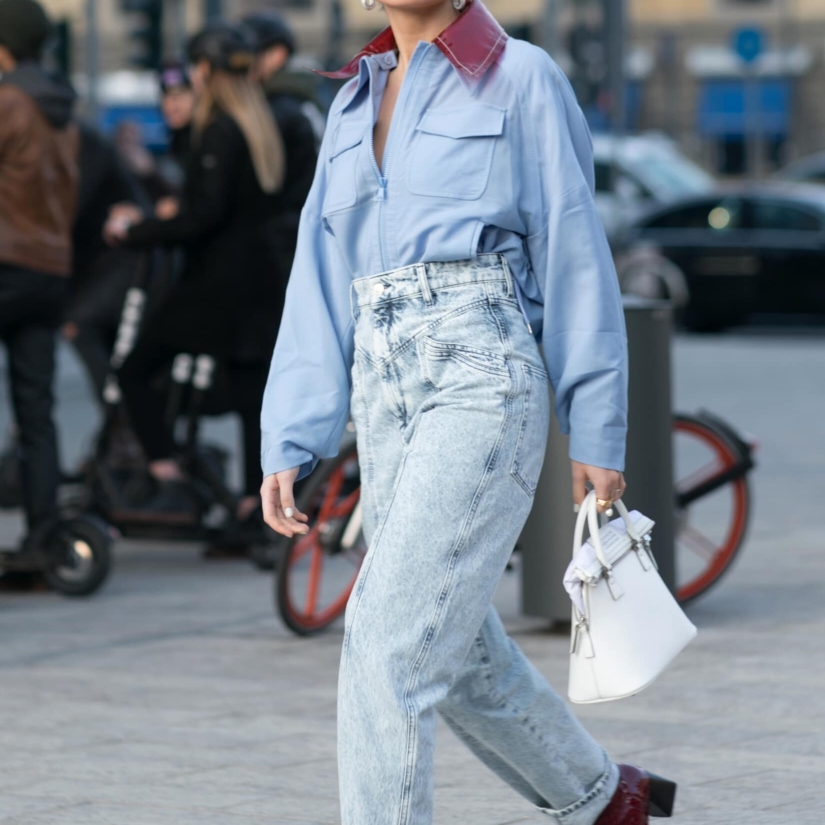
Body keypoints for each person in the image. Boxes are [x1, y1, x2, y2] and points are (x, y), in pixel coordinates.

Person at [259, 1, 675, 824]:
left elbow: (572, 246)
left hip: (481, 370)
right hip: (383, 389)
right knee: (455, 642)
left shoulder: (519, 76)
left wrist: (594, 421)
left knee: (387, 647)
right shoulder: (349, 99)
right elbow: (316, 274)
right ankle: (600, 798)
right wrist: (291, 431)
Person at [104, 22, 291, 522]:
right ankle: (258, 505)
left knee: (135, 368)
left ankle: (167, 472)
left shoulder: (220, 130)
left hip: (219, 286)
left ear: (204, 71)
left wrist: (137, 231)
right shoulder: (261, 125)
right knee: (254, 397)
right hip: (261, 279)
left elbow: (201, 216)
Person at [0, 0, 79, 548]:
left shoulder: (7, 101)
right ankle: (44, 533)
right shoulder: (62, 107)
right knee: (37, 409)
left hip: (6, 261)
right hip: (50, 268)